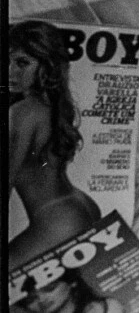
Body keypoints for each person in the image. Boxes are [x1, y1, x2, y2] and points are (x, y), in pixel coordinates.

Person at [8, 21, 101, 270]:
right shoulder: (57, 105)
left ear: (46, 66)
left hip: (58, 223)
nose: (9, 71)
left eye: (22, 63)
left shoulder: (22, 112)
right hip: (83, 207)